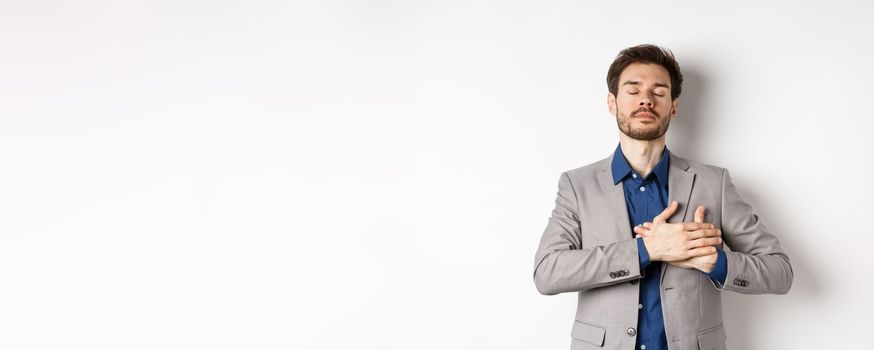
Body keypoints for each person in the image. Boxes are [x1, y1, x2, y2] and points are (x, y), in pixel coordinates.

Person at [532, 44, 793, 350]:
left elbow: (780, 272)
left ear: (673, 107)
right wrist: (646, 249)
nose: (646, 99)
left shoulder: (714, 182)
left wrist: (716, 262)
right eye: (633, 90)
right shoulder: (578, 185)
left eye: (659, 91)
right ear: (612, 103)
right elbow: (547, 273)